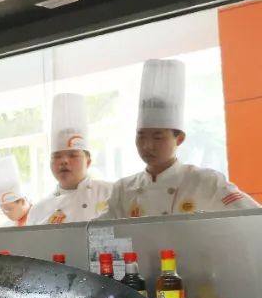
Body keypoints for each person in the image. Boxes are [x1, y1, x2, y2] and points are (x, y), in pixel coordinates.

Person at [102, 60, 258, 219]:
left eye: (158, 136)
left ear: (180, 138)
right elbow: (97, 232)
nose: (147, 146)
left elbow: (253, 218)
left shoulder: (207, 182)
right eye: (141, 135)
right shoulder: (123, 190)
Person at [29, 93, 113, 225]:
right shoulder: (38, 211)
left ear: (88, 162)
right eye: (56, 156)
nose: (64, 161)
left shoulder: (111, 193)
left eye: (73, 155)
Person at [0, 155, 31, 226]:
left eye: (9, 209)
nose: (6, 214)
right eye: (2, 210)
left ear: (22, 201)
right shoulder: (9, 225)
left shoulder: (38, 217)